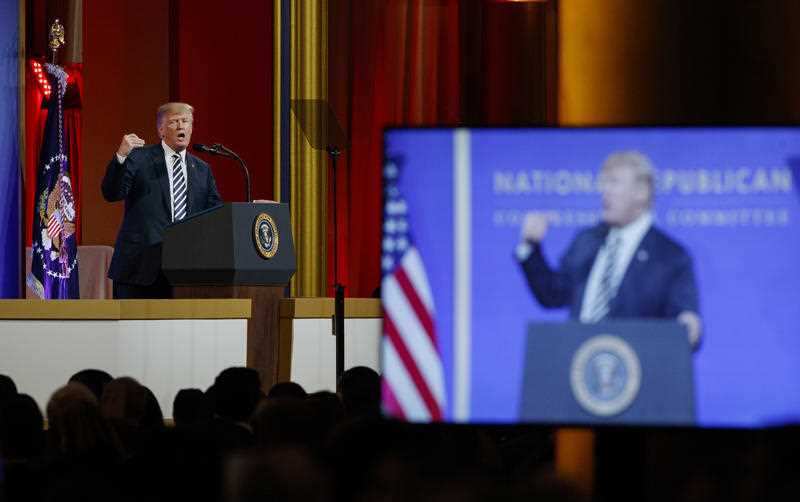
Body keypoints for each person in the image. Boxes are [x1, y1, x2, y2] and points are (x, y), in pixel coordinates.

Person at [516, 151, 702, 348]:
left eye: (614, 182)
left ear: (641, 192)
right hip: (579, 361)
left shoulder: (670, 256)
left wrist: (689, 326)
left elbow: (684, 317)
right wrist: (531, 247)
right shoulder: (587, 240)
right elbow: (553, 295)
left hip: (636, 367)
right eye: (604, 183)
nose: (605, 190)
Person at [101, 102, 222, 299]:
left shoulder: (202, 170)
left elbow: (215, 214)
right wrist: (121, 156)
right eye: (175, 122)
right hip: (140, 269)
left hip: (185, 271)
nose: (181, 126)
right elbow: (111, 192)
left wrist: (249, 210)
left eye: (186, 122)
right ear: (161, 130)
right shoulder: (139, 158)